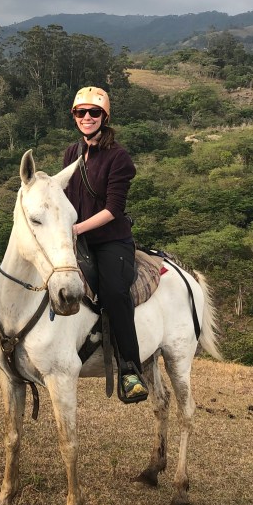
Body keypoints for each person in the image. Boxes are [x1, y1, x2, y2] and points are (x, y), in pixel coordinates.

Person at [62, 86, 146, 403]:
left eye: (93, 112)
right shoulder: (71, 153)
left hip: (111, 241)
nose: (86, 117)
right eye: (80, 112)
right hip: (77, 238)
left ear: (104, 117)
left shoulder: (118, 158)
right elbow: (66, 197)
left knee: (113, 293)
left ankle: (130, 370)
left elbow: (113, 210)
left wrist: (76, 229)